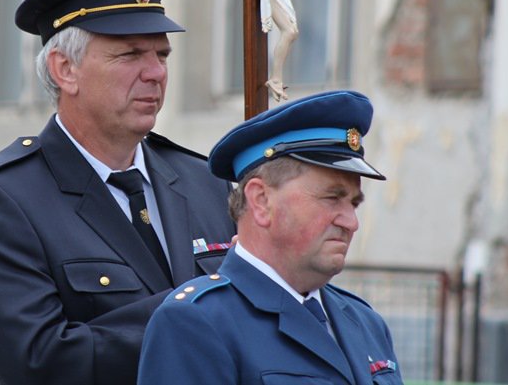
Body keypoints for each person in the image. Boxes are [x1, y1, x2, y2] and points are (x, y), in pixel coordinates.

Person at [0, 0, 237, 385]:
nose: (156, 73)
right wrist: (202, 318)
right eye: (130, 54)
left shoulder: (205, 183)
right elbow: (39, 357)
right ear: (65, 69)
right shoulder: (1, 198)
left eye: (161, 55)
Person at [138, 90, 403, 385]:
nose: (351, 222)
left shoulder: (364, 322)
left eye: (353, 203)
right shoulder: (198, 322)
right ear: (261, 200)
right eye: (332, 198)